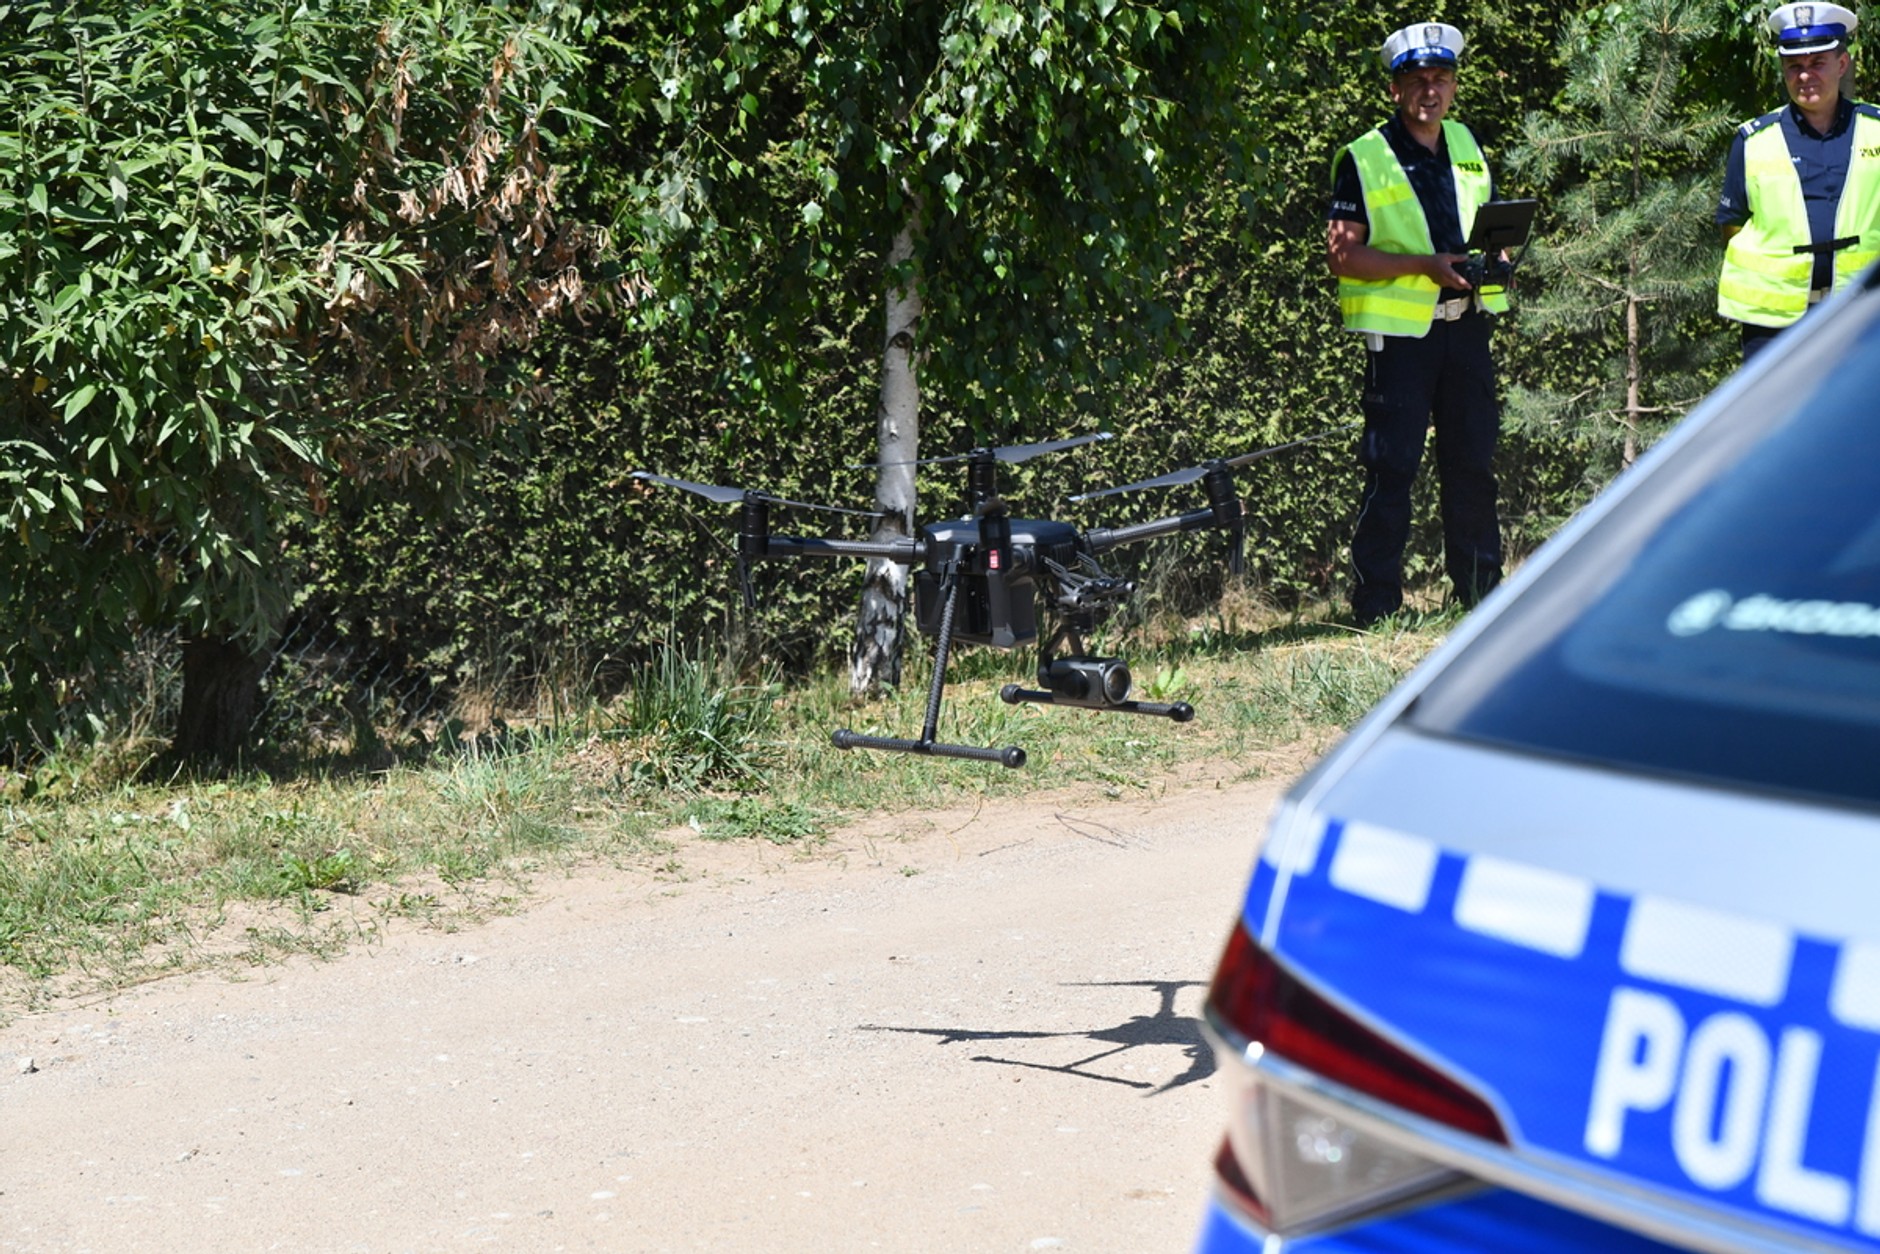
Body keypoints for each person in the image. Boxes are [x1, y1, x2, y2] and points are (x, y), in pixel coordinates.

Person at [1328, 21, 1509, 628]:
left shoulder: (1465, 141)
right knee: (1391, 470)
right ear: (1394, 89)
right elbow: (1343, 255)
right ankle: (1375, 606)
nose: (1429, 91)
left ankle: (1482, 596)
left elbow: (1484, 222)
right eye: (1416, 80)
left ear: (1454, 85)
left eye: (1441, 78)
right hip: (1402, 338)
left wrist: (1500, 255)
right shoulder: (1364, 156)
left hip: (1467, 327)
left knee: (1473, 465)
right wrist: (1423, 268)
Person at [1718, 3, 1880, 362]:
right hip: (1773, 327)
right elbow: (1732, 226)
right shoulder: (1753, 139)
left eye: (1817, 63)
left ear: (1841, 65)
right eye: (1795, 66)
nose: (1805, 76)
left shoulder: (1877, 130)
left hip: (1862, 315)